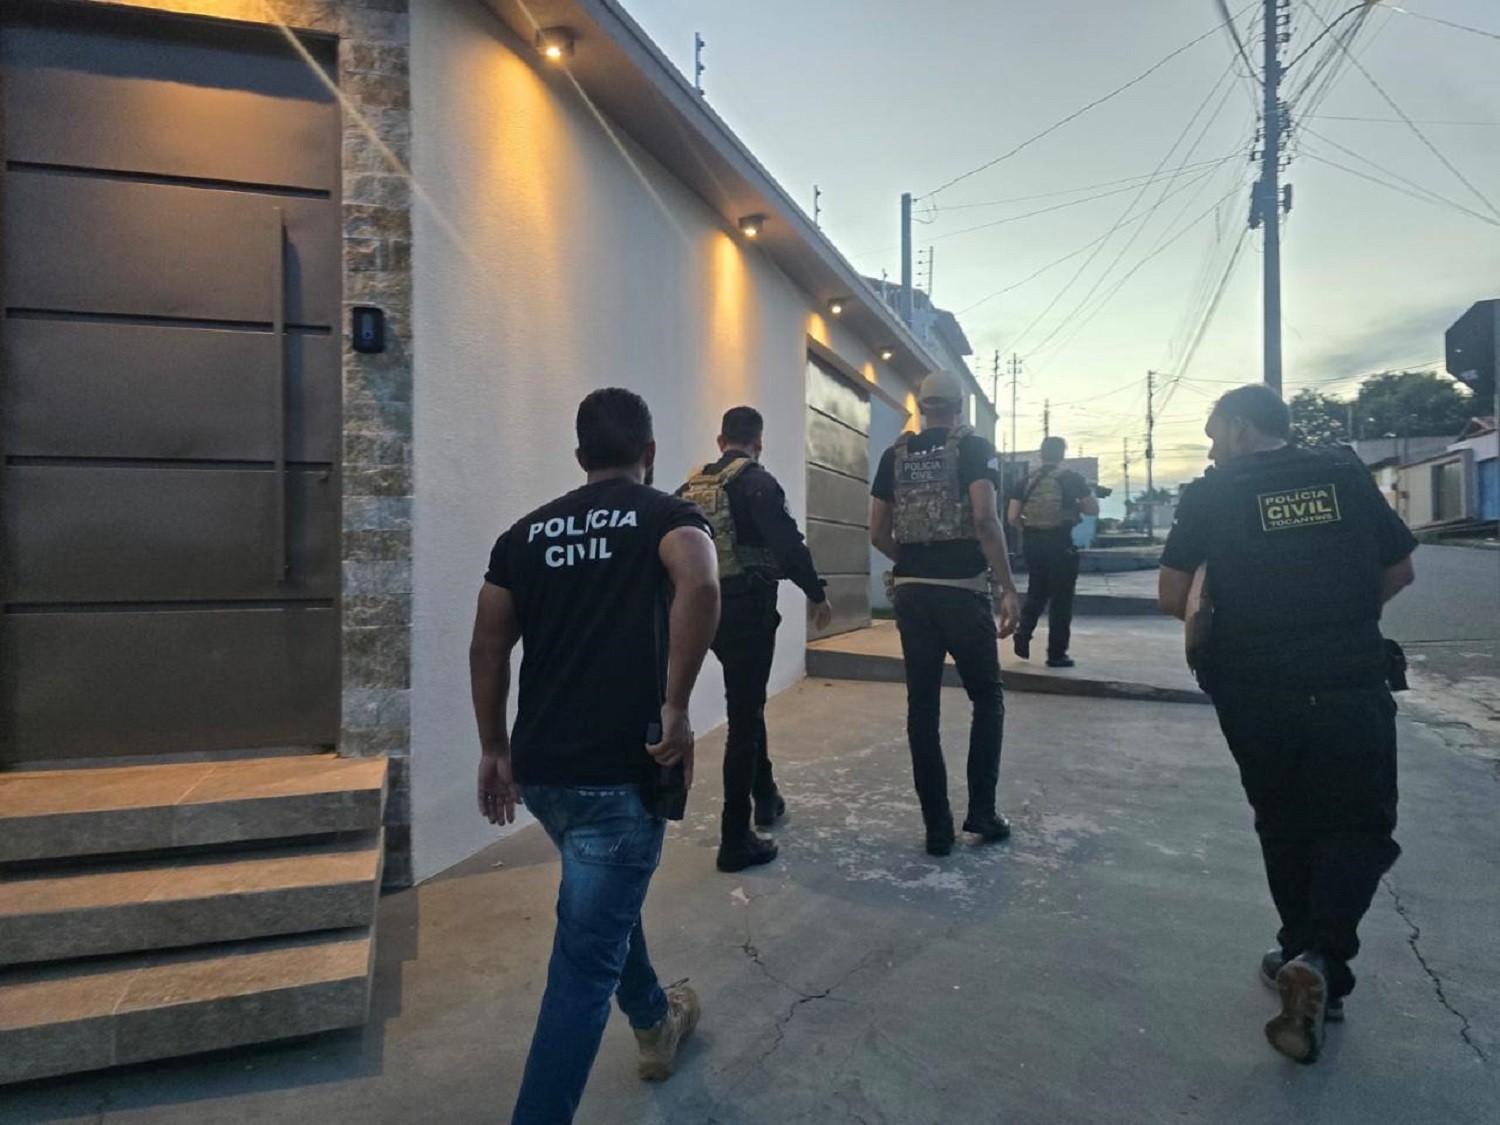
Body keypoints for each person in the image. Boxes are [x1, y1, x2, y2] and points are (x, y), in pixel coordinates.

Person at [470, 388, 721, 1122]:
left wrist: (493, 746)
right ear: (649, 452)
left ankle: (655, 1022)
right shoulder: (665, 515)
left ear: (581, 456)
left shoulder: (524, 536)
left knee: (600, 905)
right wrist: (677, 704)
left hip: (545, 771)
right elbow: (702, 579)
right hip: (620, 772)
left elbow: (488, 643)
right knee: (581, 969)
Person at [1158, 384, 1416, 1066]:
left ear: (1242, 427)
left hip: (1253, 690)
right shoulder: (1344, 474)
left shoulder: (1212, 493)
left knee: (1284, 820)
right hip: (1348, 680)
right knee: (1357, 825)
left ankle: (1303, 954)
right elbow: (1399, 568)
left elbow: (1171, 593)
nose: (1212, 449)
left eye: (1215, 434)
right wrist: (1340, 618)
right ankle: (1321, 959)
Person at [869, 370, 1021, 857]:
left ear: (921, 405)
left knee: (923, 708)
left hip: (912, 595)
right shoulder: (974, 448)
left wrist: (915, 566)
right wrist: (1008, 587)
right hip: (963, 591)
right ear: (958, 407)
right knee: (986, 697)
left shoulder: (895, 456)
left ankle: (937, 829)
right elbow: (985, 519)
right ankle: (982, 812)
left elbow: (877, 532)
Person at [679, 406, 834, 873]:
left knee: (748, 706)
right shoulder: (758, 483)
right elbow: (788, 546)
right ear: (758, 443)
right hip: (748, 612)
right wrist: (816, 594)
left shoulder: (691, 488)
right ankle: (735, 838)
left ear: (720, 439)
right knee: (744, 720)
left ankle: (765, 796)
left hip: (702, 613)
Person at [1006, 435, 1100, 668]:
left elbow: (1012, 517)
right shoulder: (1071, 478)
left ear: (1041, 454)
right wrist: (1075, 506)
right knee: (1061, 599)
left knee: (1036, 590)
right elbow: (1092, 509)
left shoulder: (1025, 481)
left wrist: (1030, 527)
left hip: (1033, 544)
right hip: (1060, 542)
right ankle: (1056, 654)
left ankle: (1023, 633)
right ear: (1061, 455)